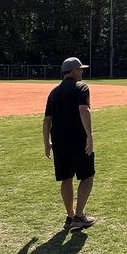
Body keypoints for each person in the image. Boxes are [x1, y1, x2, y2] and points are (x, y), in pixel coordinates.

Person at [43, 57, 96, 231]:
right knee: (87, 176)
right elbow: (83, 110)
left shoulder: (54, 92)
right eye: (80, 69)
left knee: (66, 179)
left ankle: (70, 216)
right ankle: (79, 216)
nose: (82, 72)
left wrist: (46, 143)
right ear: (73, 71)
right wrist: (90, 136)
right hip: (78, 140)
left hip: (59, 142)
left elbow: (47, 121)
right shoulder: (82, 87)